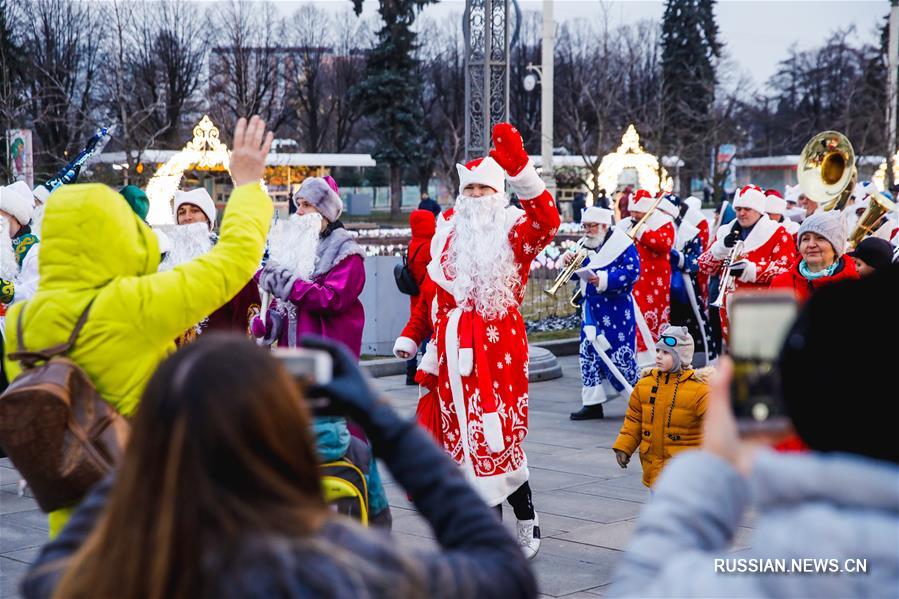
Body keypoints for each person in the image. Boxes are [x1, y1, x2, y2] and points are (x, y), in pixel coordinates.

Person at [20, 334, 537, 599]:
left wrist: (164, 444)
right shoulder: (342, 569)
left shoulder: (81, 578)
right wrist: (383, 423)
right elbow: (506, 574)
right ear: (282, 440)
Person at [3, 115, 275, 537]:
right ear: (120, 236)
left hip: (71, 513)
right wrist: (247, 187)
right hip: (142, 510)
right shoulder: (132, 306)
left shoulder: (22, 322)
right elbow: (233, 260)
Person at [609, 267, 899, 598]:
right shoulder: (647, 385)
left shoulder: (792, 573)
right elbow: (634, 417)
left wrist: (717, 460)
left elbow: (646, 585)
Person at [393, 123, 560, 559]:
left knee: (499, 442)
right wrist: (422, 345)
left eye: (485, 190)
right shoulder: (448, 239)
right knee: (464, 446)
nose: (476, 199)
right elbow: (436, 301)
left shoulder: (513, 233)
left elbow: (548, 221)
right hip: (451, 357)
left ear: (500, 193)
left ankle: (521, 520)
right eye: (470, 192)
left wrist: (521, 169)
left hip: (498, 353)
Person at [253, 176, 366, 356]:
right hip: (293, 355)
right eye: (298, 204)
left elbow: (331, 299)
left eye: (306, 205)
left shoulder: (346, 253)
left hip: (326, 356)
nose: (298, 211)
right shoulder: (301, 248)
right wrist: (271, 321)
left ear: (324, 211)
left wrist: (284, 283)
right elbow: (288, 305)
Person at [611, 325, 710, 489]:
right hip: (653, 464)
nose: (658, 356)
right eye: (658, 351)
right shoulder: (645, 385)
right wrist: (624, 447)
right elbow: (634, 420)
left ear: (681, 357)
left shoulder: (699, 390)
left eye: (666, 353)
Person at [566, 206, 640, 421]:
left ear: (604, 226)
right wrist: (569, 264)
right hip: (590, 310)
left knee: (620, 355)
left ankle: (636, 400)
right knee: (588, 354)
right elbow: (576, 275)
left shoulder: (623, 244)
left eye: (591, 226)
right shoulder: (584, 244)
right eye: (585, 226)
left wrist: (604, 280)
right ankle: (592, 403)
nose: (587, 230)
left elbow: (632, 272)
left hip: (616, 310)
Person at [162, 187, 261, 344]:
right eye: (181, 212)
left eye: (195, 211)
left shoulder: (230, 262)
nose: (187, 217)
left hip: (218, 356)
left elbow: (246, 317)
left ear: (208, 220)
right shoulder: (167, 266)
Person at [698, 184, 796, 341]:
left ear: (759, 210)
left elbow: (786, 270)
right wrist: (721, 248)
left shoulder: (778, 233)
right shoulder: (726, 231)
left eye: (747, 209)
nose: (741, 213)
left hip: (760, 308)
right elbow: (704, 266)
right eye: (738, 209)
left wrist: (749, 270)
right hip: (727, 309)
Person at [617, 189, 676, 366]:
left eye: (638, 212)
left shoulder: (663, 222)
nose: (634, 215)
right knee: (633, 318)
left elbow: (664, 245)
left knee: (653, 318)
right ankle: (635, 356)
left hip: (654, 282)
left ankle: (654, 358)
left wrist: (642, 231)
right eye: (632, 211)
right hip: (632, 280)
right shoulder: (626, 222)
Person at [665, 195, 715, 365]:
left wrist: (678, 258)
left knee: (688, 323)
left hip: (685, 292)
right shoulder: (652, 231)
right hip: (659, 290)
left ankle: (690, 358)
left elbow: (696, 262)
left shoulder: (690, 232)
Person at [771, 212, 859, 304]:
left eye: (820, 238)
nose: (811, 244)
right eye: (805, 239)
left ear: (836, 246)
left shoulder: (854, 288)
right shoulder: (780, 284)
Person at [404, 209, 436, 385]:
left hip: (414, 294)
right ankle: (424, 371)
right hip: (428, 295)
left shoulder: (413, 243)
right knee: (427, 332)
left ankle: (410, 370)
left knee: (414, 330)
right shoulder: (430, 246)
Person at [0, 181, 41, 311]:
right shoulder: (4, 245)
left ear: (15, 216)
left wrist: (6, 290)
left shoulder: (34, 251)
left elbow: (37, 293)